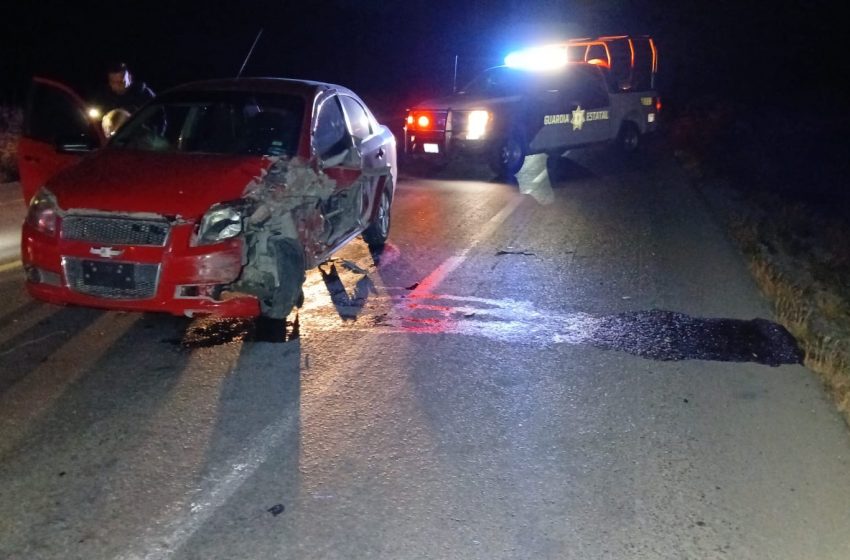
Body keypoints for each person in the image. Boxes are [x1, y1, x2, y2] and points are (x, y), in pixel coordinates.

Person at [92, 62, 156, 136]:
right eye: (112, 82)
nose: (116, 86)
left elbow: (158, 121)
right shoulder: (103, 97)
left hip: (139, 142)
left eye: (121, 82)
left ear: (130, 78)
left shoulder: (145, 95)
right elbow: (95, 121)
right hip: (111, 143)